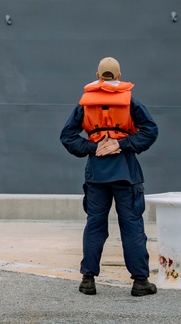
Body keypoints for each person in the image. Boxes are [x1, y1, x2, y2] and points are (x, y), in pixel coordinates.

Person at [60, 57, 159, 297]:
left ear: (97, 74)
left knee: (95, 225)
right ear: (119, 75)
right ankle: (140, 282)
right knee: (132, 225)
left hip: (96, 174)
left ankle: (88, 280)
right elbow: (150, 131)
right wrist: (122, 143)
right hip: (126, 172)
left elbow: (68, 137)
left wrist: (94, 147)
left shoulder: (84, 104)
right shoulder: (131, 103)